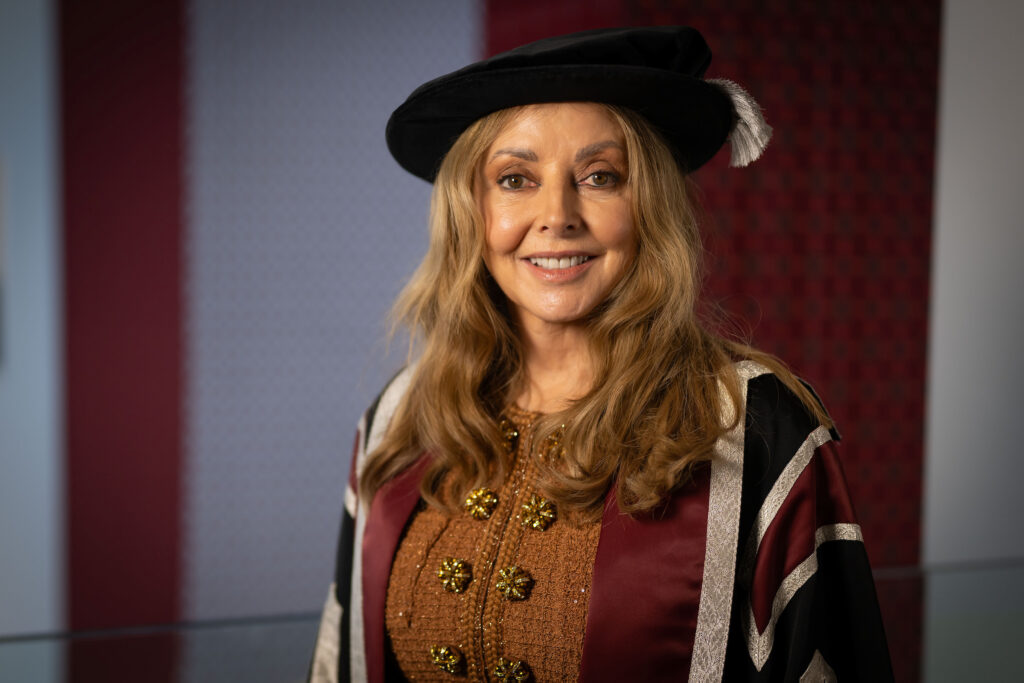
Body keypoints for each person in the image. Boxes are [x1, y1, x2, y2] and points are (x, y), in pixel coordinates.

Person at [309, 26, 893, 683]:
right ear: (470, 212)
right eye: (515, 179)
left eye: (599, 177)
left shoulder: (752, 422)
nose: (557, 215)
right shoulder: (401, 417)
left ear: (649, 206)